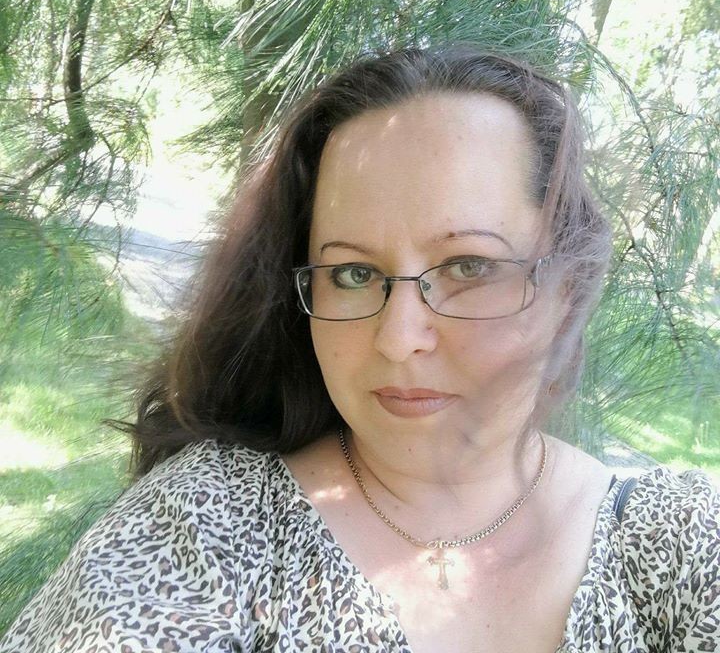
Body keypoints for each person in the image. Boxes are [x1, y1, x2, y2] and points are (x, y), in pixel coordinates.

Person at [1, 45, 718, 653]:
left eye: (469, 266)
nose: (399, 340)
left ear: (568, 288)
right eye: (352, 273)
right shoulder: (206, 524)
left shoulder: (674, 541)